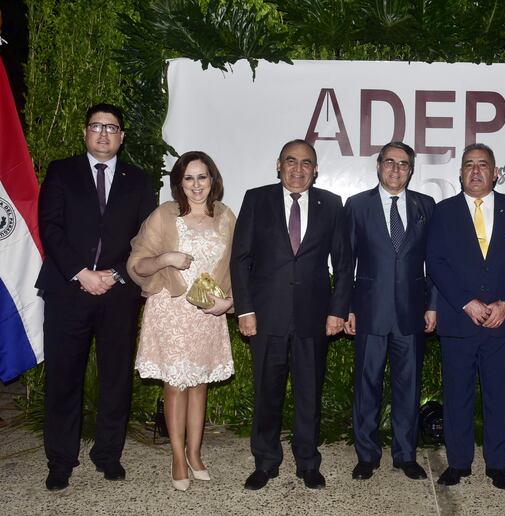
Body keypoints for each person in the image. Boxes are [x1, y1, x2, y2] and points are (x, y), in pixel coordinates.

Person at [36, 103, 156, 491]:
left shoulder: (139, 180)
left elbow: (146, 238)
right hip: (67, 290)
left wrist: (116, 273)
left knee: (116, 378)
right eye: (96, 126)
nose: (104, 133)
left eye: (111, 127)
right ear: (85, 132)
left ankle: (108, 454)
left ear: (122, 137)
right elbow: (50, 228)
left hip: (118, 293)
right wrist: (82, 273)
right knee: (63, 378)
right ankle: (60, 460)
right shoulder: (61, 171)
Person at [230, 139, 352, 491]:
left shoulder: (331, 204)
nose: (298, 169)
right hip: (266, 315)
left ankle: (308, 463)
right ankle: (265, 462)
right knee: (266, 393)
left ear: (316, 169)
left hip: (314, 317)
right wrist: (246, 309)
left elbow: (343, 263)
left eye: (306, 163)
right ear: (279, 165)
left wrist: (337, 310)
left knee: (309, 395)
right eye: (291, 161)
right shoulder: (257, 199)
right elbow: (240, 259)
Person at [127, 151, 235, 491]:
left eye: (202, 177)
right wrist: (165, 258)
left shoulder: (226, 217)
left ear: (213, 180)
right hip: (171, 310)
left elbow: (240, 265)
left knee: (199, 384)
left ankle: (195, 453)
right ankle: (177, 457)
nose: (196, 185)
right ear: (179, 182)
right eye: (189, 178)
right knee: (175, 385)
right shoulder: (165, 215)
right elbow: (137, 265)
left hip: (207, 313)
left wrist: (229, 302)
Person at [426, 143, 505, 490]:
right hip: (460, 321)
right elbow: (436, 262)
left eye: (483, 165)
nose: (475, 171)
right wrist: (465, 303)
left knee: (499, 396)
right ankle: (458, 463)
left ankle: (497, 465)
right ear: (460, 173)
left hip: (502, 323)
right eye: (469, 165)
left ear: (495, 172)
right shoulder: (443, 212)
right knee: (457, 396)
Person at [343, 142, 437, 482]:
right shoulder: (357, 206)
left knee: (408, 387)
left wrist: (433, 305)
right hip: (369, 311)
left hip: (412, 312)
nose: (396, 169)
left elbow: (434, 262)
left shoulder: (426, 205)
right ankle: (366, 456)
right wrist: (347, 308)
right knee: (366, 386)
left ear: (411, 170)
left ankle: (405, 455)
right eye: (390, 162)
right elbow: (346, 263)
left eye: (403, 164)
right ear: (379, 165)